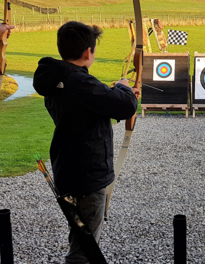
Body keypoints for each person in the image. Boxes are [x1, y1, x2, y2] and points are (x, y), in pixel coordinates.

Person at [33, 21, 140, 264]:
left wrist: (113, 91)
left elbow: (90, 106)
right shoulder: (80, 83)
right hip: (87, 176)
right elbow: (125, 106)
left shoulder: (57, 80)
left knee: (81, 237)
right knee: (84, 251)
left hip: (68, 171)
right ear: (87, 52)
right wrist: (123, 88)